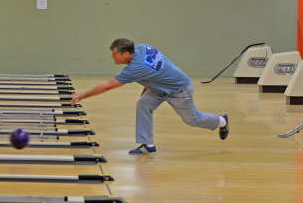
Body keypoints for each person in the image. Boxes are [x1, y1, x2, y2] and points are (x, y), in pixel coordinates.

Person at [69, 38, 228, 154]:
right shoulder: (143, 47)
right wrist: (148, 85)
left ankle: (222, 121)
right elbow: (160, 65)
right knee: (143, 104)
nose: (112, 57)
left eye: (114, 54)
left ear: (126, 54)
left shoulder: (134, 68)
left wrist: (82, 95)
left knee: (193, 120)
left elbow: (108, 86)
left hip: (178, 89)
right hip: (160, 87)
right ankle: (147, 144)